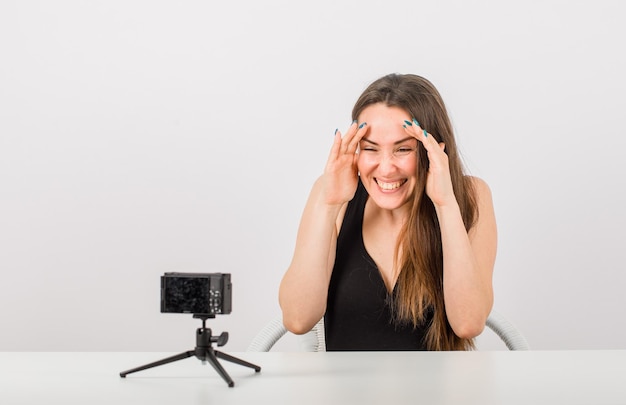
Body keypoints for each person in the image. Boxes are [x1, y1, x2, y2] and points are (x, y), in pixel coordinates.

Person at [278, 73, 497, 351]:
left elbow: (468, 323)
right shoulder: (331, 194)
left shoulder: (471, 195)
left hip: (439, 394)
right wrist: (329, 205)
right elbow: (297, 319)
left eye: (403, 149)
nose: (385, 168)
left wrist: (445, 204)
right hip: (348, 394)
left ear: (432, 149)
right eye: (370, 149)